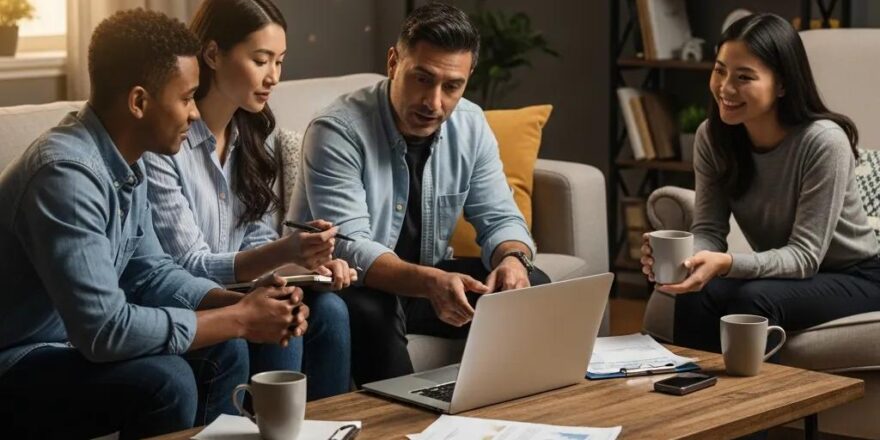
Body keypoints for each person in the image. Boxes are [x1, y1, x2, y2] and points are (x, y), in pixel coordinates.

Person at [0, 9, 308, 438]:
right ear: (140, 102)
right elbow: (105, 331)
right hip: (21, 357)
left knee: (226, 347)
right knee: (167, 380)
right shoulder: (64, 176)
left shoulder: (130, 162)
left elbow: (149, 272)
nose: (195, 114)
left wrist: (237, 302)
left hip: (71, 348)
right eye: (186, 98)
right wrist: (240, 318)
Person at [288, 2, 551, 386]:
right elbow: (350, 247)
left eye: (452, 86)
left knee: (532, 285)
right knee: (371, 306)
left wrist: (513, 261)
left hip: (424, 280)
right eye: (422, 79)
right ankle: (400, 422)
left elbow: (501, 218)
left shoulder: (472, 125)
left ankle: (508, 412)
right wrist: (430, 283)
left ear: (468, 78)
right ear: (394, 62)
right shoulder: (337, 131)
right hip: (353, 284)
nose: (435, 103)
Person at [144, 0, 351, 400]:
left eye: (280, 61)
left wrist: (309, 263)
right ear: (213, 54)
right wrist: (285, 251)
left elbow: (256, 243)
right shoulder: (164, 140)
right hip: (190, 302)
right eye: (261, 60)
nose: (273, 77)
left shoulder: (254, 137)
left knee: (330, 312)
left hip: (242, 291)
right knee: (281, 310)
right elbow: (191, 265)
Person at [640, 13, 880, 353]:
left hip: (858, 276)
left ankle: (758, 405)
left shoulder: (824, 142)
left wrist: (727, 264)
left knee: (755, 303)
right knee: (698, 293)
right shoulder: (713, 137)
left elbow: (804, 257)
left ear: (782, 84)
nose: (725, 88)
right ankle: (690, 392)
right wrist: (685, 262)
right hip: (790, 275)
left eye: (744, 77)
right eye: (720, 70)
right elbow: (709, 229)